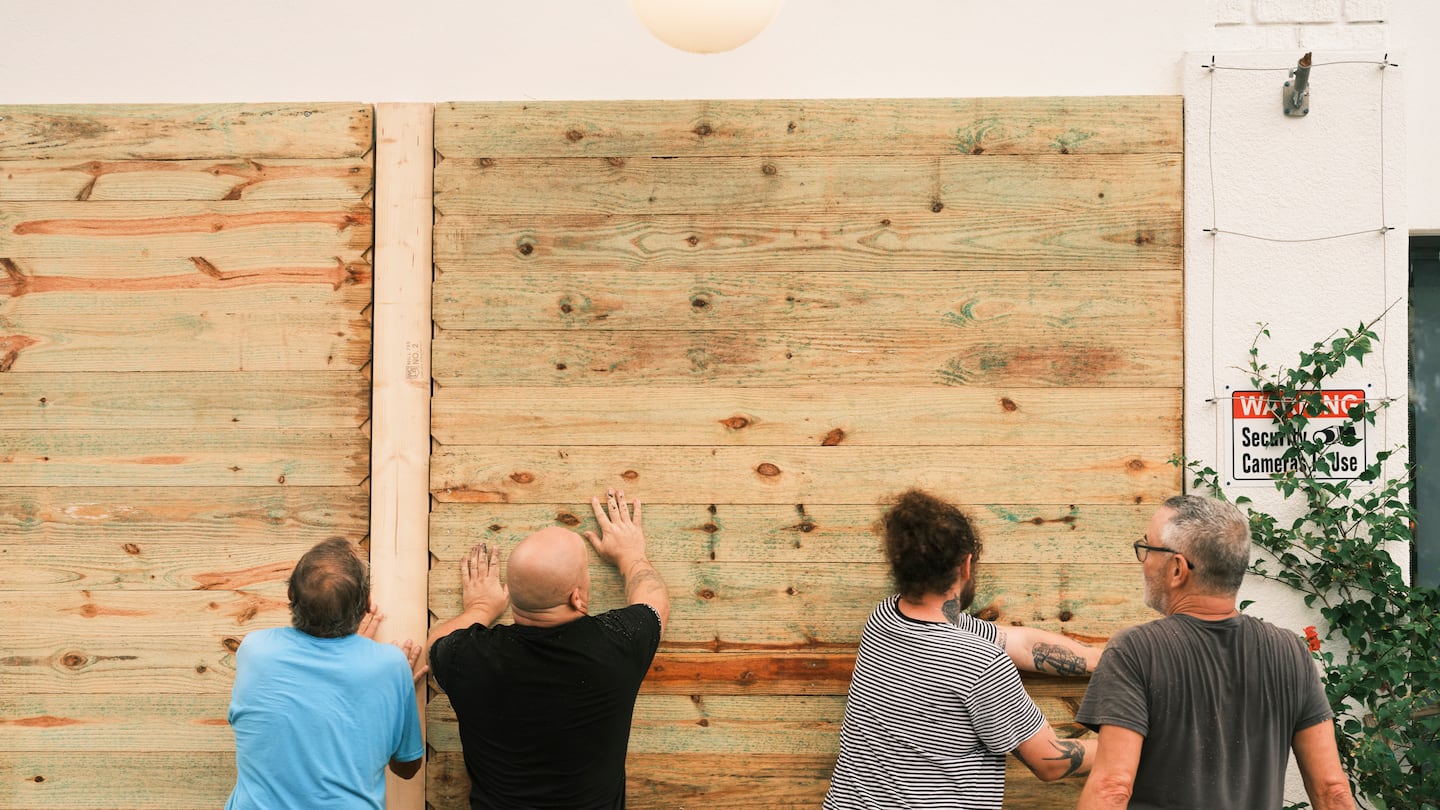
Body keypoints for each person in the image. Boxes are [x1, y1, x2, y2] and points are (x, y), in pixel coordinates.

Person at [824, 489, 1099, 810]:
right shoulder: (981, 662)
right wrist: (1139, 747)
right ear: (966, 565)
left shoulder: (885, 618)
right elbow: (1051, 762)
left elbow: (1020, 643)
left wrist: (1109, 661)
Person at [1075, 494, 1355, 809]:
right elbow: (1333, 791)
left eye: (1148, 548)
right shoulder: (1291, 652)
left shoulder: (1135, 652)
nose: (1143, 560)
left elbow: (1111, 789)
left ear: (1177, 569)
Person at [428, 489, 670, 810]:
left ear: (512, 595)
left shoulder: (469, 658)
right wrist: (631, 555)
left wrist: (481, 607)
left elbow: (433, 645)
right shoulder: (617, 645)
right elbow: (654, 601)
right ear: (577, 597)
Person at [226, 537, 427, 809]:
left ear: (289, 596)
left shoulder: (254, 650)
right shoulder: (389, 666)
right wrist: (393, 693)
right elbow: (407, 767)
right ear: (368, 603)